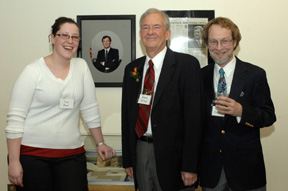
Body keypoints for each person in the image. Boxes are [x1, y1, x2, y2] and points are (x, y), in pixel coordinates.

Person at [5, 17, 115, 191]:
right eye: (64, 35)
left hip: (72, 156)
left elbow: (89, 109)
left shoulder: (82, 67)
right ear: (52, 38)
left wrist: (100, 143)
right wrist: (14, 161)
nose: (70, 41)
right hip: (34, 156)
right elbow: (15, 120)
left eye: (75, 37)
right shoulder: (32, 71)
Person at [121, 8, 203, 191]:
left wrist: (190, 165)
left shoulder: (187, 66)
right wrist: (128, 159)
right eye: (146, 27)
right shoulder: (131, 69)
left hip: (175, 156)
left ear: (167, 33)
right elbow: (126, 117)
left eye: (156, 27)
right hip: (141, 150)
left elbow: (194, 120)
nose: (150, 32)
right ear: (140, 34)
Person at [199, 17, 276, 191]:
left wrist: (242, 111)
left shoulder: (255, 75)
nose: (219, 48)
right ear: (207, 44)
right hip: (211, 172)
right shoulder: (199, 76)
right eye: (213, 42)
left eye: (225, 41)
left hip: (247, 171)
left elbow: (269, 116)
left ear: (235, 42)